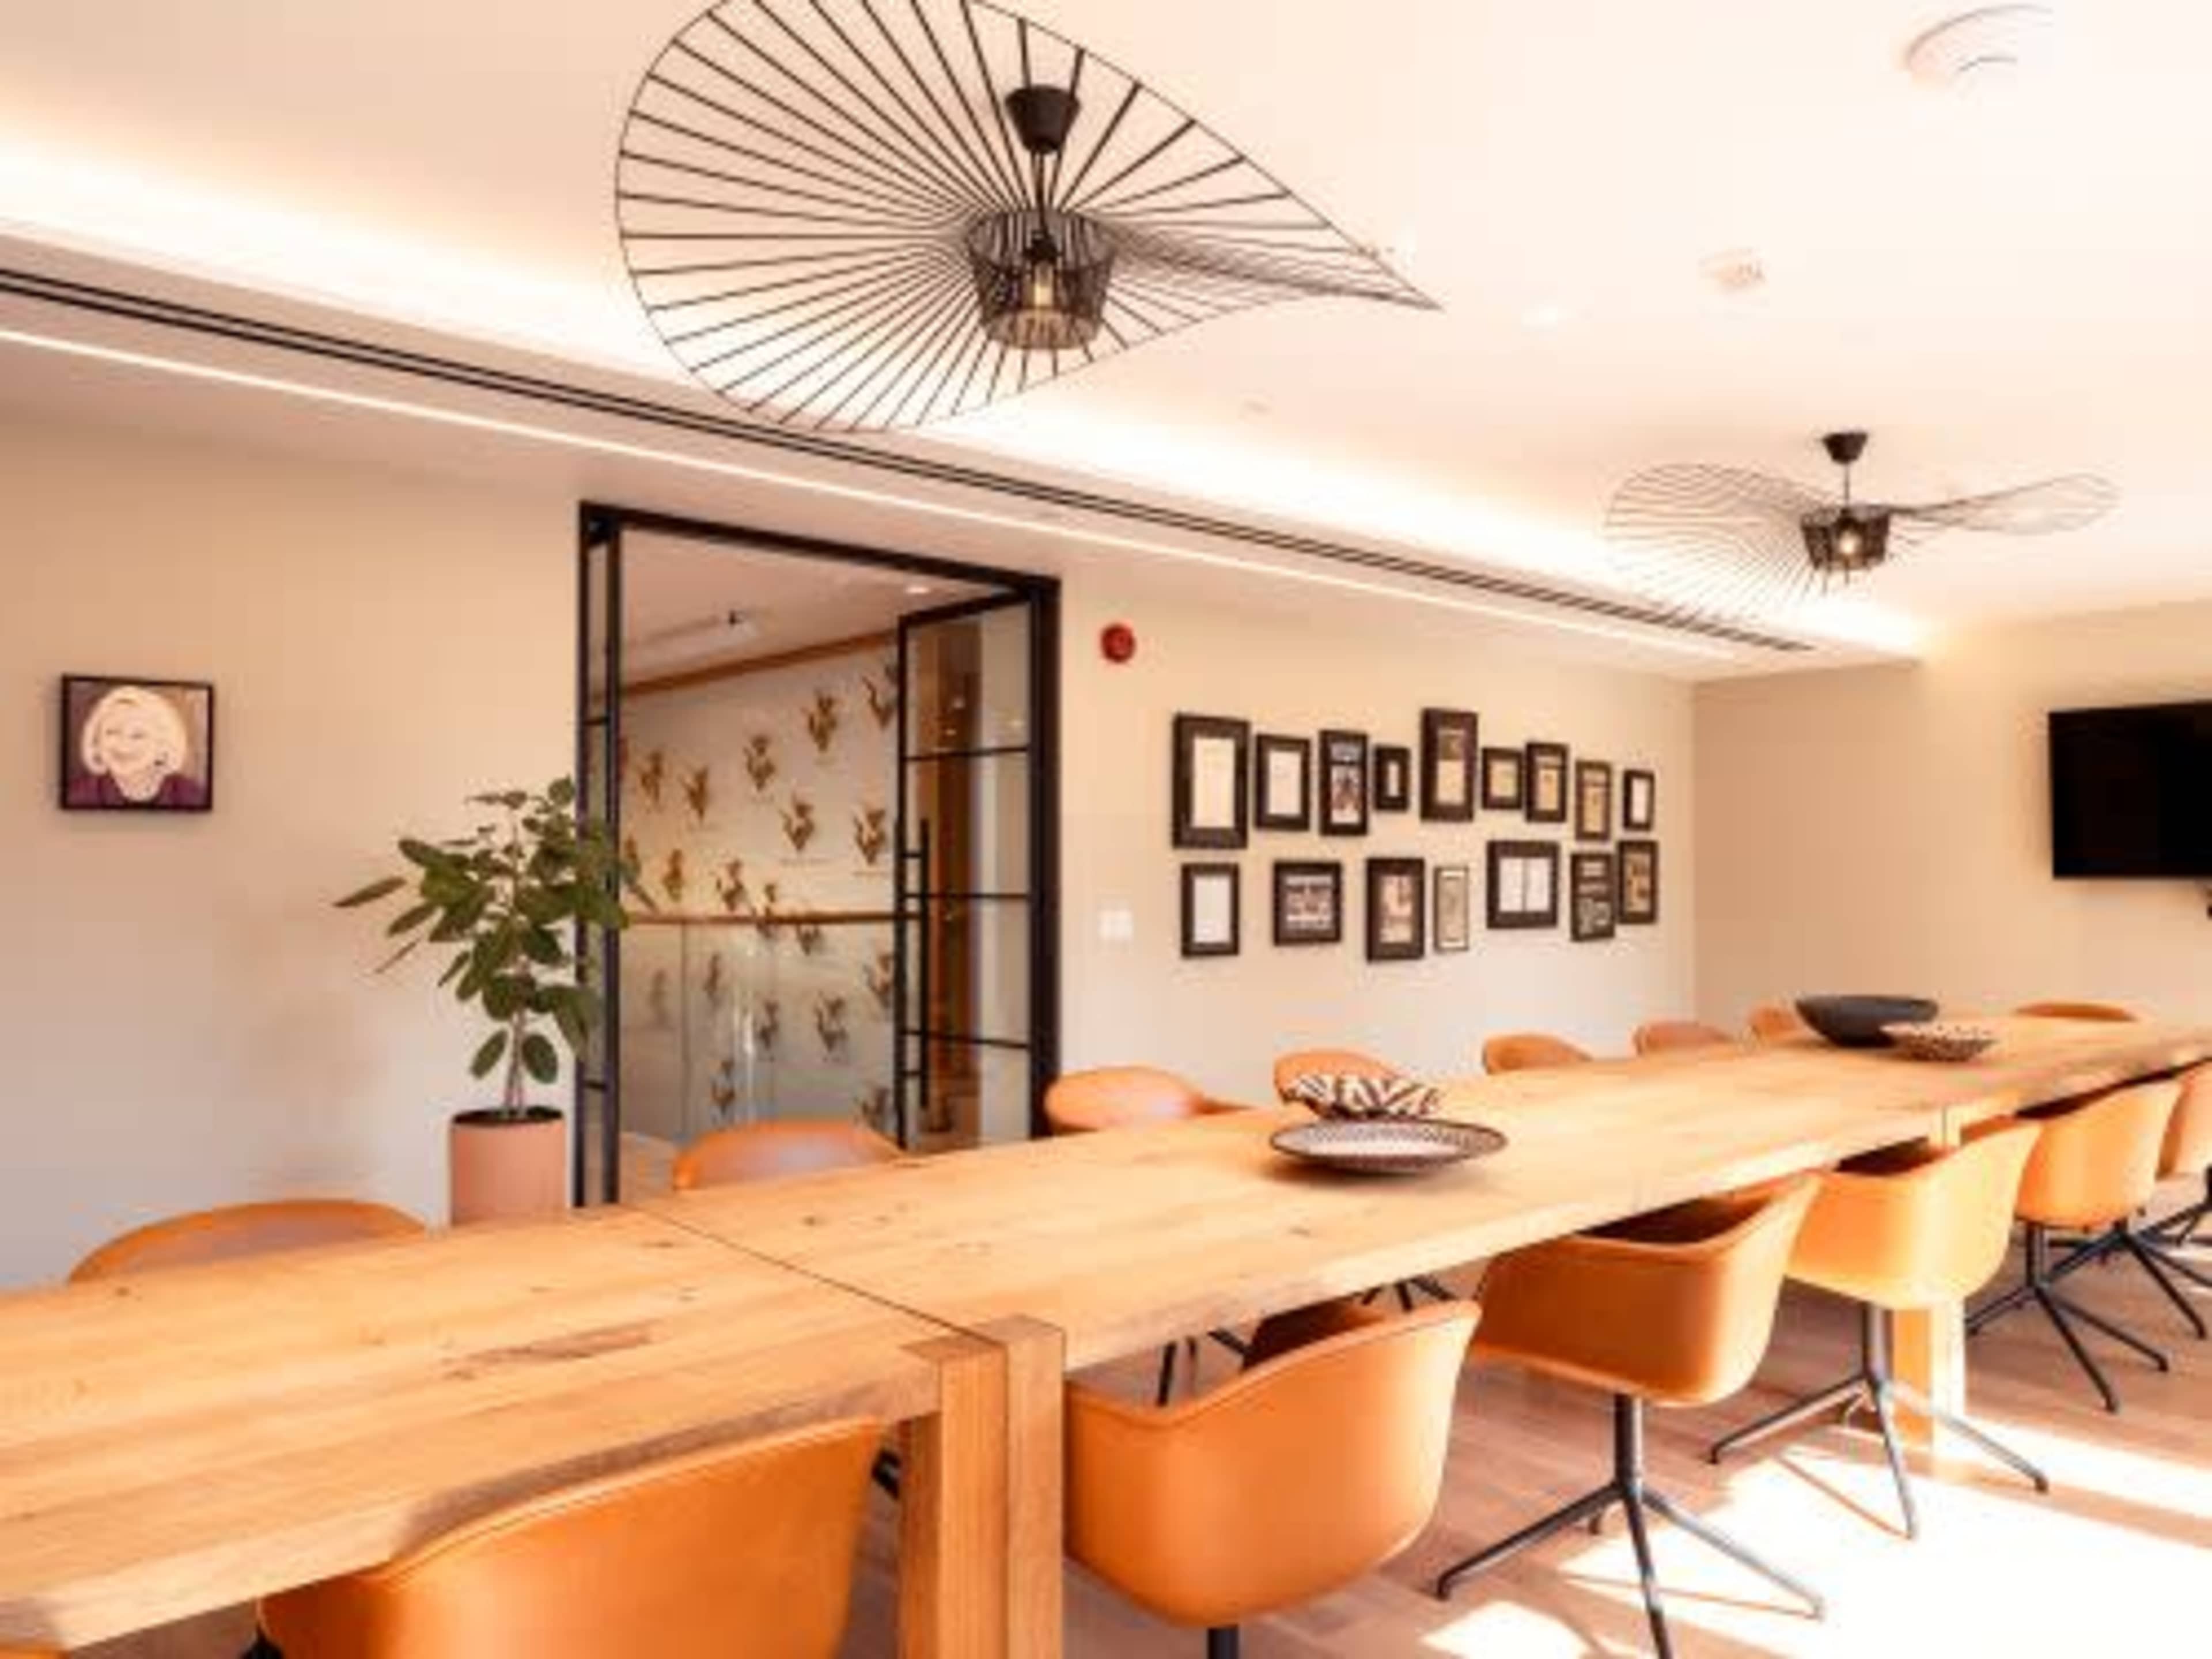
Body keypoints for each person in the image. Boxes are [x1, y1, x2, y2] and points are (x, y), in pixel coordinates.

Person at [67, 683, 207, 808]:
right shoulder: (79, 795)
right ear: (96, 742)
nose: (124, 745)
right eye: (112, 732)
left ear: (164, 746)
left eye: (138, 736)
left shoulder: (191, 795)